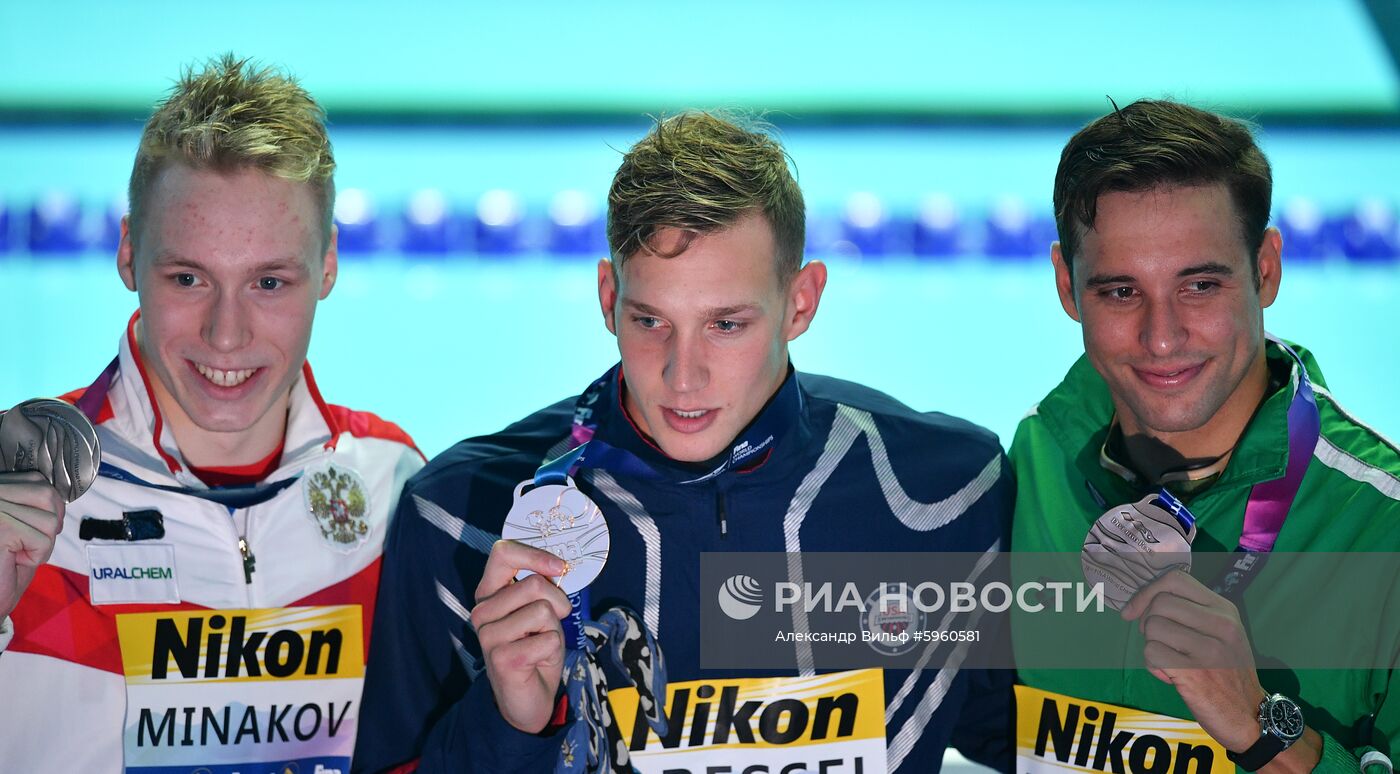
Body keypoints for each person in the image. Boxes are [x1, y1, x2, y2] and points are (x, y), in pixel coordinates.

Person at [355, 111, 1015, 773]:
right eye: (651, 321)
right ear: (608, 297)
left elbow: (1045, 741)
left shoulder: (946, 500)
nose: (683, 374)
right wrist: (510, 726)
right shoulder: (461, 517)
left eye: (726, 324)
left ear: (802, 302)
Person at [0, 55, 424, 773]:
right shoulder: (20, 484)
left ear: (327, 265)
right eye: (189, 278)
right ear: (130, 253)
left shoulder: (393, 486)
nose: (226, 335)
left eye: (268, 281)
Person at [1011, 99, 1400, 772]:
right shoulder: (1033, 470)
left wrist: (1265, 729)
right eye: (1120, 293)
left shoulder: (1380, 529)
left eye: (1199, 285)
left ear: (1266, 269)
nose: (1162, 338)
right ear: (1067, 288)